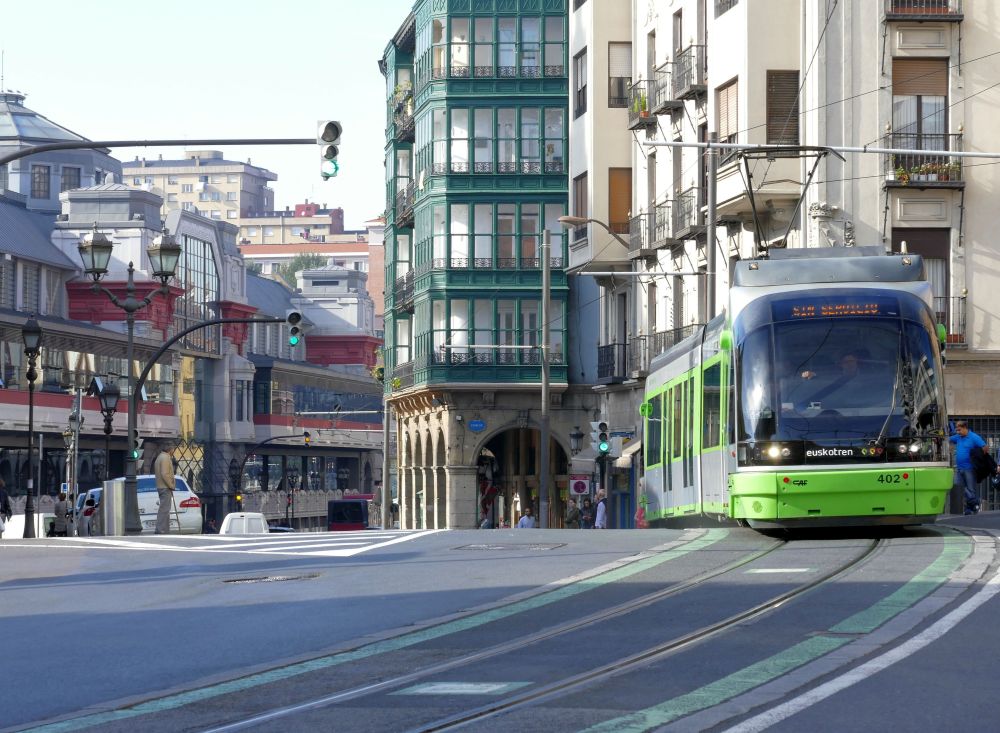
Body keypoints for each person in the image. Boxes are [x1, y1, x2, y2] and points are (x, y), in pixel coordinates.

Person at [949, 420, 989, 515]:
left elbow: (985, 447)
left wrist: (979, 459)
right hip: (959, 468)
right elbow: (948, 439)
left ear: (965, 428)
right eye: (957, 430)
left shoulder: (974, 437)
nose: (958, 432)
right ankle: (975, 501)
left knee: (970, 489)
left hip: (970, 468)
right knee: (958, 486)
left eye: (959, 430)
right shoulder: (958, 437)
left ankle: (970, 508)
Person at [153, 443, 176, 534]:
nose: (173, 451)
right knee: (164, 510)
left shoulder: (160, 457)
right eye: (173, 449)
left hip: (161, 486)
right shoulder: (165, 458)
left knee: (165, 509)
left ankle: (164, 530)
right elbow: (165, 474)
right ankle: (161, 529)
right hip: (165, 486)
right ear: (170, 449)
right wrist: (171, 485)